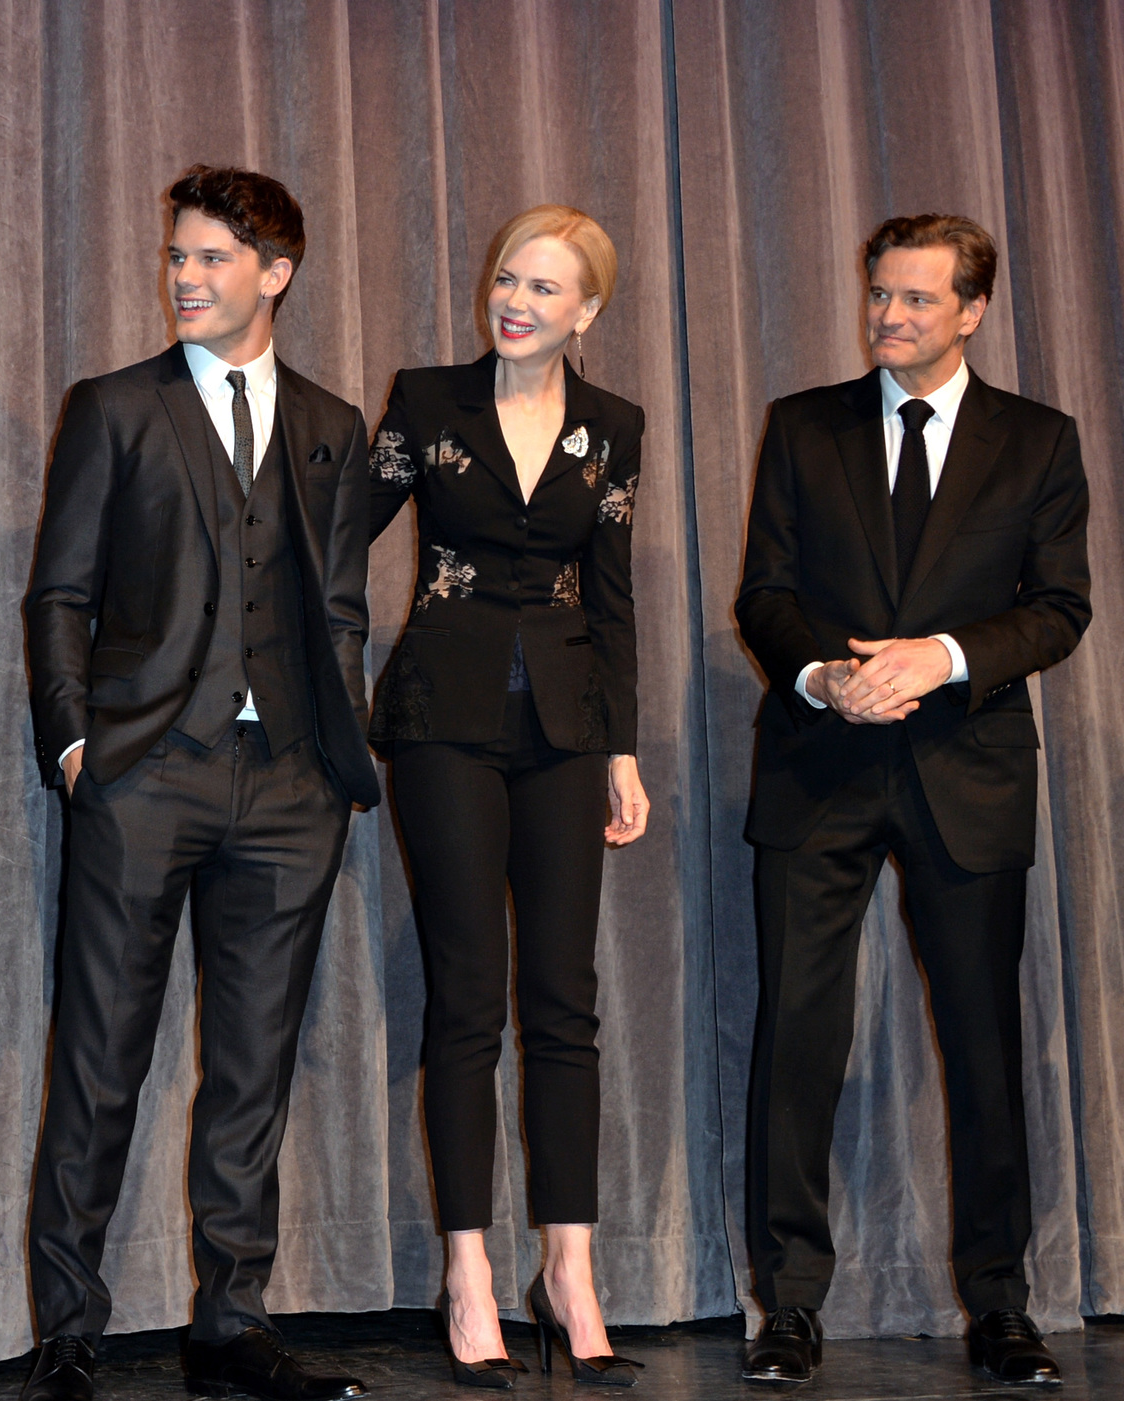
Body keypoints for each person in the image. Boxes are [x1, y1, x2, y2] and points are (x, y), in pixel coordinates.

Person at [20, 165, 377, 1401]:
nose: (184, 276)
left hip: (285, 788)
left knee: (253, 1066)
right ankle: (66, 1327)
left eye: (213, 258)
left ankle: (230, 1320)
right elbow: (59, 591)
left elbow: (339, 610)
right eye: (177, 256)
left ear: (272, 274)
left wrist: (337, 762)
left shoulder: (334, 423)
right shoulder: (115, 406)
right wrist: (73, 745)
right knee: (99, 1060)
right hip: (141, 773)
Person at [735, 214, 1090, 1388]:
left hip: (965, 773)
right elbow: (763, 595)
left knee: (985, 1048)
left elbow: (1057, 608)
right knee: (795, 1037)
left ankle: (998, 1305)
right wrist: (823, 675)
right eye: (877, 295)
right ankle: (784, 1305)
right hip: (817, 766)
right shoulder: (801, 426)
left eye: (914, 301)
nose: (886, 317)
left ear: (971, 311)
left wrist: (936, 655)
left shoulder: (1037, 441)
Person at [366, 205, 649, 1390]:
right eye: (504, 279)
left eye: (544, 288)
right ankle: (468, 1270)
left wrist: (621, 748)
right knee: (468, 994)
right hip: (442, 715)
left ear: (585, 311)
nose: (516, 301)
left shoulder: (610, 428)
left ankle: (569, 1268)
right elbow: (337, 537)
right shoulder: (426, 405)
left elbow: (613, 590)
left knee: (562, 1000)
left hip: (567, 727)